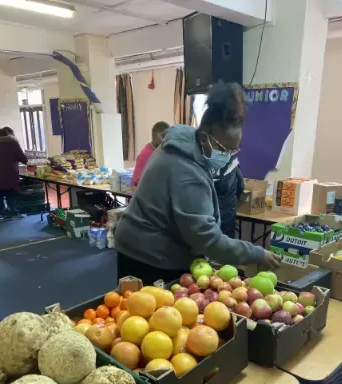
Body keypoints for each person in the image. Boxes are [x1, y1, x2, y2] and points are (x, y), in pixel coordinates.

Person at [115, 82, 280, 285]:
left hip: (142, 241)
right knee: (152, 312)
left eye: (232, 151)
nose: (227, 157)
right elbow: (207, 239)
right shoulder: (187, 173)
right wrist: (256, 254)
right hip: (148, 253)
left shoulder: (182, 143)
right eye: (223, 149)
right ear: (204, 138)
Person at [0, 126, 27, 219]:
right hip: (10, 174)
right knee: (10, 193)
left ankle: (1, 213)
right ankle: (13, 212)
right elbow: (24, 159)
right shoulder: (13, 143)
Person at [132, 121, 170, 187]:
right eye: (163, 136)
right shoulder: (146, 154)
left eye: (167, 137)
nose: (165, 140)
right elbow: (136, 183)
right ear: (154, 135)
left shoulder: (162, 151)